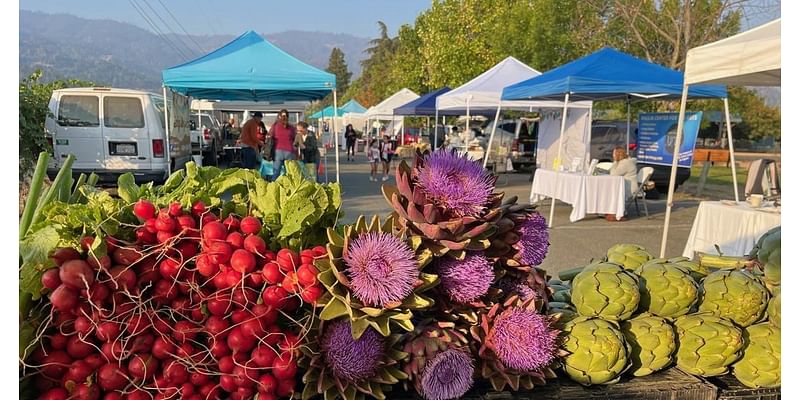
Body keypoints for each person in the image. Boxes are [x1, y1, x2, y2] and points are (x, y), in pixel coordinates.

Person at [607, 146, 638, 222]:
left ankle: (616, 212)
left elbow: (613, 174)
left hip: (629, 188)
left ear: (618, 154)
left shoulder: (625, 163)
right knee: (609, 189)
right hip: (626, 185)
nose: (613, 155)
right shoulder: (625, 161)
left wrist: (615, 161)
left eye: (614, 154)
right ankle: (611, 211)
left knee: (610, 191)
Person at [269, 109, 296, 181]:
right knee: (289, 173)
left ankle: (273, 187)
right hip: (289, 151)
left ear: (279, 116)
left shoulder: (275, 126)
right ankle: (289, 189)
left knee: (276, 172)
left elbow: (271, 136)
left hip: (278, 151)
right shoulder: (291, 128)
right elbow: (293, 138)